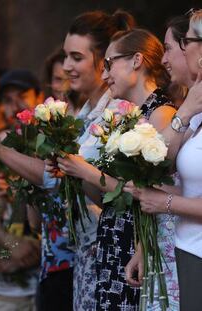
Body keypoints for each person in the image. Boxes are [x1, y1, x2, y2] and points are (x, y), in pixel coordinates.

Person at [0, 10, 136, 310]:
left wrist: (3, 151)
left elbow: (120, 190)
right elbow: (53, 176)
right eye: (66, 57)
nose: (67, 66)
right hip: (81, 250)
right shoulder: (83, 114)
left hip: (112, 250)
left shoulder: (121, 111)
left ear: (104, 60)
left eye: (76, 58)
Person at [56, 28, 176, 310]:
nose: (105, 74)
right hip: (114, 237)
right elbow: (108, 199)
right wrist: (75, 170)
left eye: (109, 63)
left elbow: (145, 195)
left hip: (137, 243)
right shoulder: (127, 117)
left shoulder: (162, 114)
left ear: (136, 60)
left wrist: (86, 170)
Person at [124, 9, 202, 311]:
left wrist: (163, 203)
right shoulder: (192, 110)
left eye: (187, 42)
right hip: (185, 248)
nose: (181, 51)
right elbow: (166, 167)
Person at [0, 69, 43, 311]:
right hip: (2, 287)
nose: (15, 106)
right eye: (7, 100)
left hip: (44, 281)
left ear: (40, 97)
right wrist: (8, 256)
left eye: (22, 96)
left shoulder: (50, 142)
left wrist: (28, 254)